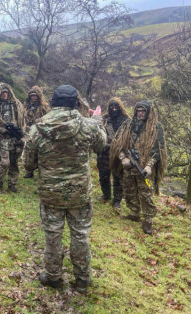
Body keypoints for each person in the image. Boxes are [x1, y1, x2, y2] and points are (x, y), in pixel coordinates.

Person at [24, 85, 106, 294]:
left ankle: (53, 276)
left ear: (52, 102)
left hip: (51, 195)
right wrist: (97, 121)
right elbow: (101, 145)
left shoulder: (38, 128)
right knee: (80, 235)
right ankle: (82, 279)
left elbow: (28, 164)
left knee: (53, 235)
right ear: (76, 103)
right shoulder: (88, 126)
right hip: (79, 193)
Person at [110, 100, 167, 234]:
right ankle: (134, 212)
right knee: (129, 190)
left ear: (148, 112)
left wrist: (149, 166)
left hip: (145, 169)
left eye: (143, 111)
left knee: (146, 194)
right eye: (138, 111)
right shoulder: (128, 125)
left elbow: (159, 150)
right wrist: (123, 158)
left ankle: (148, 219)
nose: (140, 114)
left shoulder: (156, 128)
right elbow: (118, 142)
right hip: (129, 166)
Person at [0, 83, 25, 193]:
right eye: (2, 93)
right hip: (3, 139)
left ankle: (12, 184)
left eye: (6, 92)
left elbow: (22, 122)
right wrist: (1, 130)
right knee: (5, 163)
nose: (4, 94)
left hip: (14, 139)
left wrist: (20, 133)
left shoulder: (17, 105)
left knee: (14, 163)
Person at [97, 97, 129, 210]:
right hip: (104, 152)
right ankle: (106, 195)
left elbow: (128, 138)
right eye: (112, 107)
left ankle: (117, 201)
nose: (114, 109)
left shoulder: (126, 120)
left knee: (118, 177)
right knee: (103, 175)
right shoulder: (105, 119)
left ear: (120, 107)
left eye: (116, 107)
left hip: (119, 153)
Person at [23, 86, 50, 178]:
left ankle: (41, 172)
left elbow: (47, 118)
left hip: (40, 131)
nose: (33, 97)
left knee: (41, 152)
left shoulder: (44, 107)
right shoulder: (26, 106)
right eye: (32, 96)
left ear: (38, 96)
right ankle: (29, 171)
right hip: (28, 131)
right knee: (28, 152)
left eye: (35, 96)